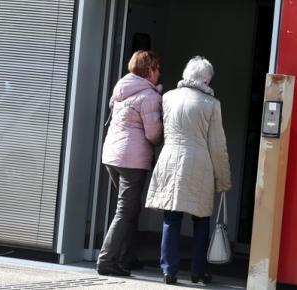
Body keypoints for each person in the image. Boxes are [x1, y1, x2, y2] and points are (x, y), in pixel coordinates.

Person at [146, 56, 232, 285]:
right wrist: (223, 179)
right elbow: (217, 145)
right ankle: (198, 271)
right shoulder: (211, 104)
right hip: (199, 162)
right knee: (201, 218)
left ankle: (168, 270)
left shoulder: (168, 97)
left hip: (170, 158)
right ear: (206, 80)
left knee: (171, 217)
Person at [97, 50, 163, 277]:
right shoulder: (149, 96)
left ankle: (127, 256)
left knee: (130, 208)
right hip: (132, 159)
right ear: (149, 70)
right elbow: (153, 134)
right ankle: (106, 260)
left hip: (112, 156)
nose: (159, 73)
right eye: (157, 68)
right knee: (126, 210)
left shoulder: (121, 90)